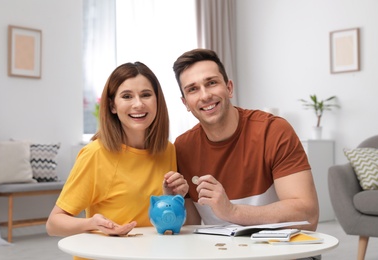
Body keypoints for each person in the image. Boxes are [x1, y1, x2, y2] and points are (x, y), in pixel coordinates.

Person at [46, 62, 188, 253]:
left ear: (157, 101)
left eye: (146, 94)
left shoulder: (167, 150)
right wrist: (92, 223)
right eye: (127, 96)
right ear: (113, 105)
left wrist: (171, 197)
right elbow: (53, 224)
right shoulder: (95, 154)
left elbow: (159, 217)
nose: (138, 104)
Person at [172, 49, 319, 232]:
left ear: (229, 88)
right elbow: (190, 227)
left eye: (211, 83)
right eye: (193, 89)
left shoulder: (273, 131)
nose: (204, 95)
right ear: (185, 103)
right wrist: (173, 200)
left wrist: (232, 211)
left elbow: (308, 215)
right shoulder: (182, 148)